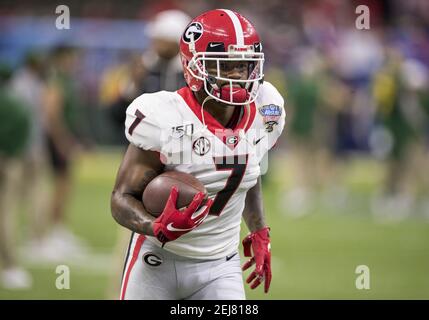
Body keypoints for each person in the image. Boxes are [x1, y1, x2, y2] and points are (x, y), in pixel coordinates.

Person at [111, 9, 285, 300]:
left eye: (244, 66)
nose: (236, 76)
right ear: (193, 66)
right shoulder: (165, 115)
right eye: (224, 66)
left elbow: (248, 172)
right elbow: (120, 198)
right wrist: (153, 226)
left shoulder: (267, 108)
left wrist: (259, 230)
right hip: (157, 261)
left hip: (221, 265)